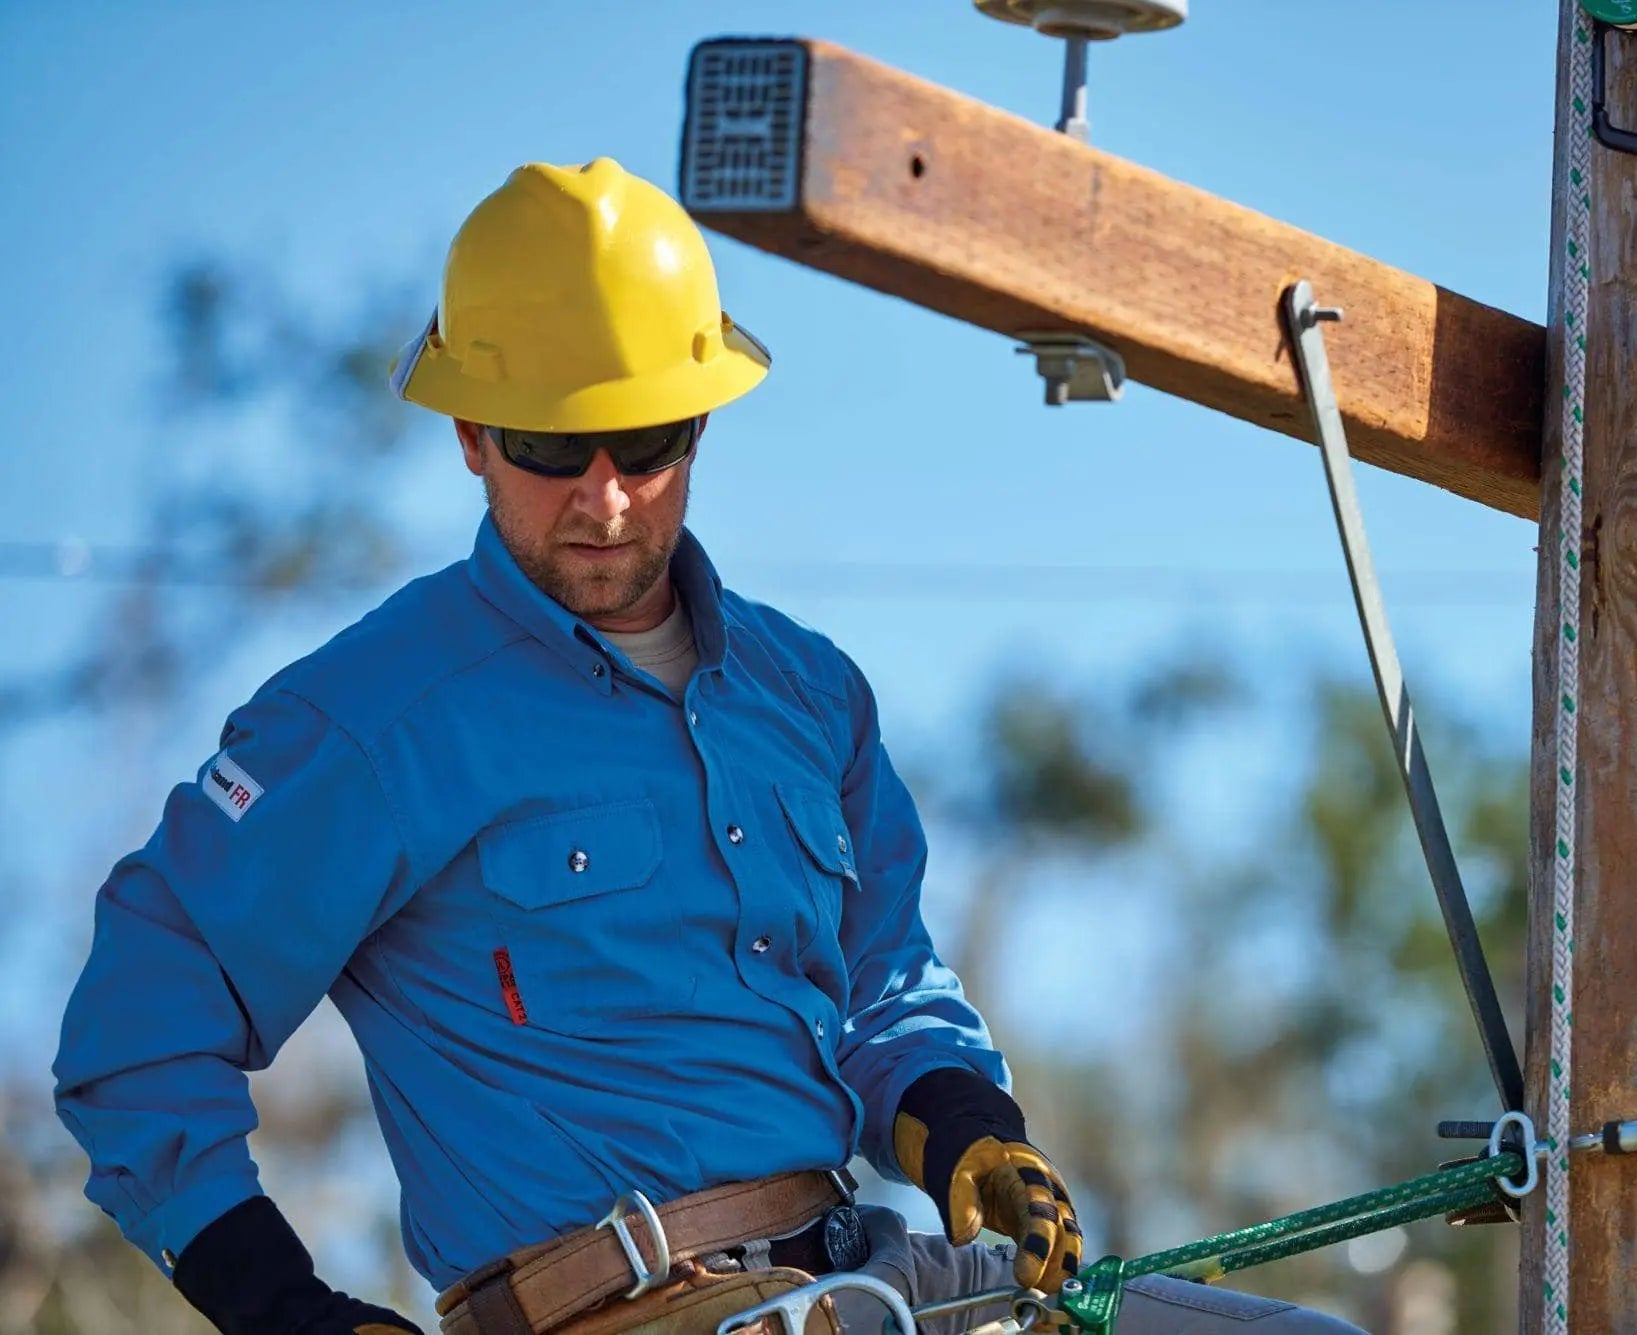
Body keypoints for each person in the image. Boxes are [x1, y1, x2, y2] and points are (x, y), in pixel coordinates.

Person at [53, 158, 1367, 1335]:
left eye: (646, 442)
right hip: (623, 1310)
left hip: (874, 1276)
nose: (603, 495)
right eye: (551, 446)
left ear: (703, 425)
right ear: (468, 436)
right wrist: (285, 1310)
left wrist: (965, 1126)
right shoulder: (378, 716)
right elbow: (136, 1019)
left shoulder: (808, 694)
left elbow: (883, 988)